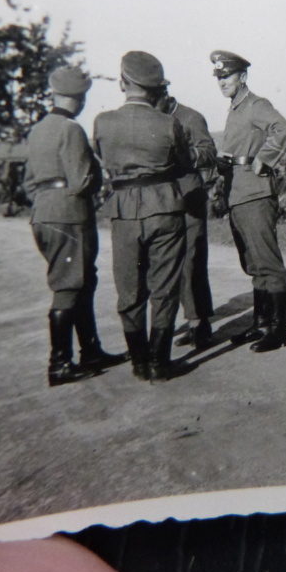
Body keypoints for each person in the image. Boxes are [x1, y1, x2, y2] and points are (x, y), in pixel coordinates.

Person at [24, 65, 126, 387]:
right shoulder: (71, 129)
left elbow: (28, 184)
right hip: (69, 215)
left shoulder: (38, 129)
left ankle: (91, 352)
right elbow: (83, 179)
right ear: (80, 99)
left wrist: (47, 202)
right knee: (69, 285)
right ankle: (59, 363)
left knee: (80, 280)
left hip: (44, 212)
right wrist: (98, 178)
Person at [93, 52, 192, 382]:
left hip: (123, 209)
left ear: (123, 83)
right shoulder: (168, 123)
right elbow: (183, 163)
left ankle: (138, 362)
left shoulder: (103, 122)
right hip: (164, 205)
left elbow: (101, 157)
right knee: (164, 285)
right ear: (155, 89)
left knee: (129, 287)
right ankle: (159, 362)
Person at [212, 49, 286, 352]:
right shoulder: (236, 108)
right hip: (238, 192)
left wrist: (265, 159)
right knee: (253, 262)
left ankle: (278, 329)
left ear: (242, 76)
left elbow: (283, 129)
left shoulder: (256, 105)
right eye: (218, 78)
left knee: (267, 261)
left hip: (256, 193)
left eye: (227, 76)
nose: (222, 82)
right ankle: (261, 323)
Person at [157, 86, 218, 350]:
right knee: (172, 262)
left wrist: (185, 154)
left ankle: (200, 324)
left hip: (189, 193)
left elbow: (208, 152)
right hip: (161, 198)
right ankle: (189, 319)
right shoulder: (151, 117)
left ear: (165, 93)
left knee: (192, 260)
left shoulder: (191, 117)